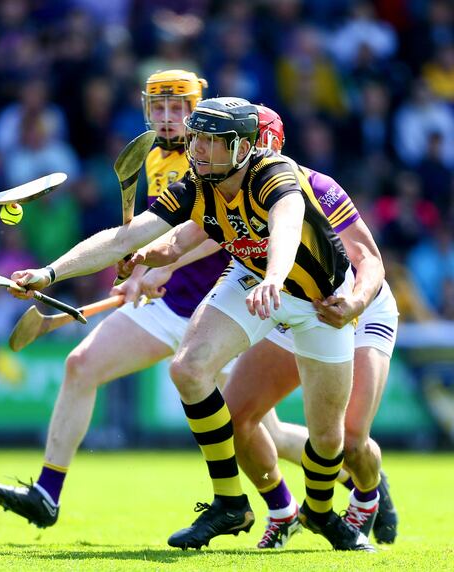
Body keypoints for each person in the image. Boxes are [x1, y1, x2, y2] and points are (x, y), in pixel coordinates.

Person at [2, 96, 373, 551]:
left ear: (241, 148)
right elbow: (127, 237)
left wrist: (279, 279)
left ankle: (320, 512)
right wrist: (51, 273)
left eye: (209, 141)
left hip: (319, 299)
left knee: (328, 436)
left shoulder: (275, 175)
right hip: (250, 280)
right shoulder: (197, 185)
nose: (196, 148)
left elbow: (286, 228)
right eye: (195, 138)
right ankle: (230, 503)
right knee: (188, 369)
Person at [135, 106, 398, 548]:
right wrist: (152, 263)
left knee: (351, 441)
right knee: (238, 419)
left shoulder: (314, 188)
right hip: (286, 298)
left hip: (357, 300)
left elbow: (368, 259)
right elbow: (204, 236)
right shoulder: (227, 186)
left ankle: (368, 493)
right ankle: (282, 510)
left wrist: (354, 303)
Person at [0, 69, 232, 529]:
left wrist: (160, 269)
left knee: (256, 431)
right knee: (81, 365)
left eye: (178, 107)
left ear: (198, 109)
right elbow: (144, 234)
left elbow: (215, 232)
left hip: (224, 310)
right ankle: (46, 494)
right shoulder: (154, 159)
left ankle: (325, 491)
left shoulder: (217, 157)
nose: (167, 117)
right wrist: (130, 274)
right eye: (159, 107)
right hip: (167, 305)